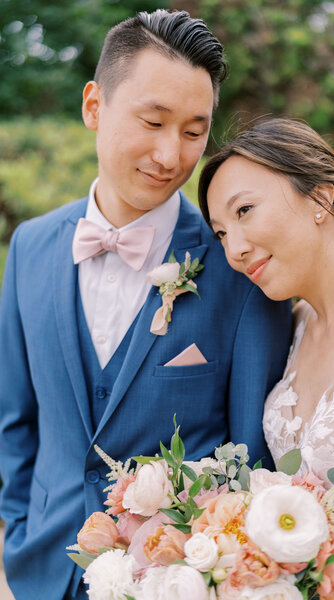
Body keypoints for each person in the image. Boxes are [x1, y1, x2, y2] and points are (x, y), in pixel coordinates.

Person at [0, 11, 292, 600]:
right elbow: (16, 419)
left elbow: (252, 458)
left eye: (192, 131)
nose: (169, 155)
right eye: (153, 121)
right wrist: (19, 536)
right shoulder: (29, 246)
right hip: (40, 574)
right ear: (94, 107)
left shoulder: (239, 270)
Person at [199, 117, 334, 598]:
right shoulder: (289, 327)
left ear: (319, 197)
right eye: (221, 233)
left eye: (244, 211)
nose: (235, 249)